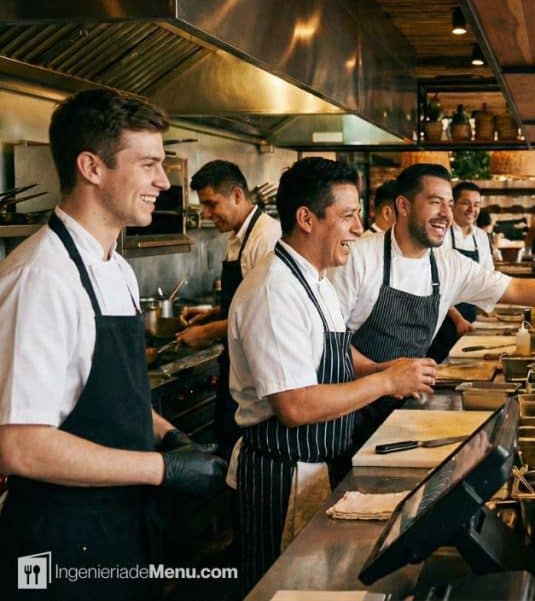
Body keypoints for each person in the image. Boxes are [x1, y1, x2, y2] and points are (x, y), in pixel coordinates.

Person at [0, 89, 226, 600]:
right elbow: (21, 446)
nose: (164, 182)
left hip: (121, 526)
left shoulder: (117, 268)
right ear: (91, 167)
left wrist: (168, 435)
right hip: (60, 544)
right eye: (148, 164)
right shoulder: (41, 278)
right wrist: (163, 468)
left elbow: (109, 399)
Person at [228, 157, 435, 589]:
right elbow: (295, 405)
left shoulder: (316, 278)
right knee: (281, 591)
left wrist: (383, 367)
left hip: (319, 466)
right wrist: (384, 382)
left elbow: (334, 354)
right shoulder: (275, 291)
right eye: (347, 216)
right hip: (282, 476)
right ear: (306, 218)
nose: (359, 229)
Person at [330, 163, 535, 444]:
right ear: (403, 206)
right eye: (435, 202)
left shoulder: (448, 266)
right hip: (352, 404)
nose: (446, 213)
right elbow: (330, 342)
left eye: (448, 203)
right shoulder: (358, 258)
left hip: (406, 405)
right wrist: (381, 374)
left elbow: (516, 288)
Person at [177, 159, 281, 458]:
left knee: (242, 447)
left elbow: (262, 316)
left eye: (212, 204)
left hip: (256, 372)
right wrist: (213, 313)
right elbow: (243, 301)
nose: (208, 215)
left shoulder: (265, 238)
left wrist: (207, 332)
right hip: (236, 363)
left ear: (237, 195)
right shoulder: (236, 238)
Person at [427, 181, 494, 362]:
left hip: (471, 315)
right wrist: (457, 319)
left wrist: (488, 309)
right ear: (453, 205)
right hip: (443, 317)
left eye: (477, 204)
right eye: (466, 203)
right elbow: (435, 285)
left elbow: (487, 277)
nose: (472, 209)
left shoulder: (481, 236)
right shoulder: (441, 234)